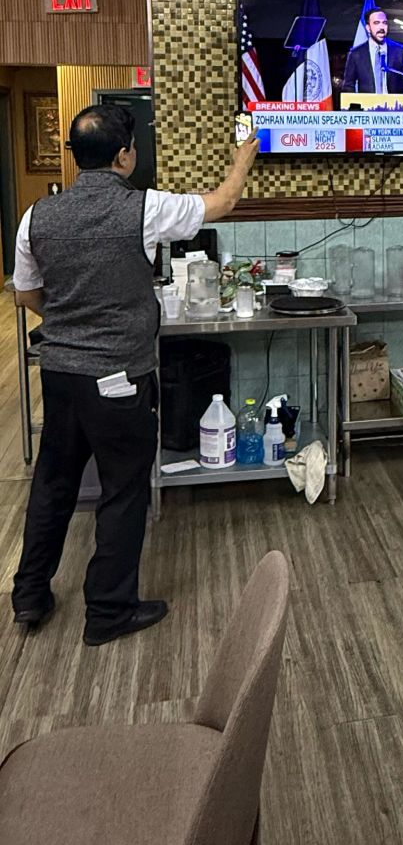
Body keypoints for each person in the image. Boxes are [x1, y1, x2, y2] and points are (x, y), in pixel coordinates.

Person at [12, 104, 259, 646]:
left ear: (75, 156)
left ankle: (29, 594)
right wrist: (243, 158)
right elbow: (222, 203)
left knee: (53, 481)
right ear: (126, 155)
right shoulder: (142, 209)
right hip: (117, 379)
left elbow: (28, 293)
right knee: (123, 491)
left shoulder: (37, 215)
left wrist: (71, 321)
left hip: (59, 374)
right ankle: (108, 611)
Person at [342, 8, 403, 97]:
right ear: (368, 28)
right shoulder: (356, 54)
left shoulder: (400, 51)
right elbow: (348, 86)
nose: (381, 27)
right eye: (376, 23)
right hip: (367, 107)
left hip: (395, 107)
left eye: (384, 23)